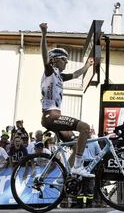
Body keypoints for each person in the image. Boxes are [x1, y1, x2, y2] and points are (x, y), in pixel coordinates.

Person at [39, 22, 95, 177]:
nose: (66, 62)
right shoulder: (50, 71)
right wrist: (44, 34)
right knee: (84, 127)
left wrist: (88, 66)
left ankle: (63, 177)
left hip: (55, 116)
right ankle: (77, 166)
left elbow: (76, 74)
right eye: (64, 59)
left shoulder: (60, 77)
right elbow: (44, 56)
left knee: (79, 142)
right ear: (55, 60)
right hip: (51, 116)